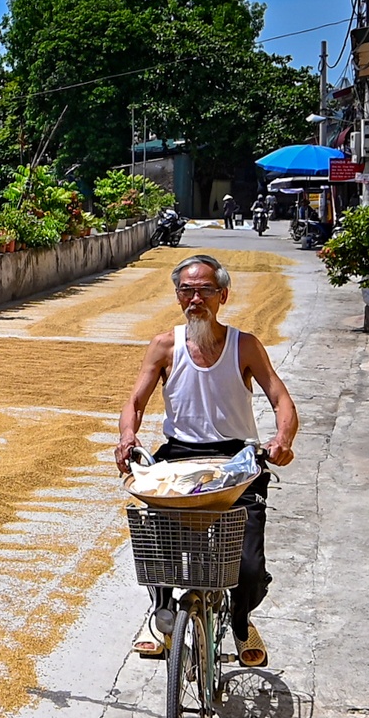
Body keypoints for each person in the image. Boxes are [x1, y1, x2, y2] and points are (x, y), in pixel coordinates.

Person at [116, 254, 298, 666]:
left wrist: (282, 439)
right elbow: (135, 401)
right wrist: (128, 436)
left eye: (205, 290)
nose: (195, 298)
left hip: (236, 461)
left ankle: (241, 619)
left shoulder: (245, 345)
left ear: (223, 295)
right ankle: (161, 615)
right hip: (179, 458)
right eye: (187, 290)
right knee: (157, 543)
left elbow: (280, 398)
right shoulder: (165, 345)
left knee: (248, 567)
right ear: (178, 295)